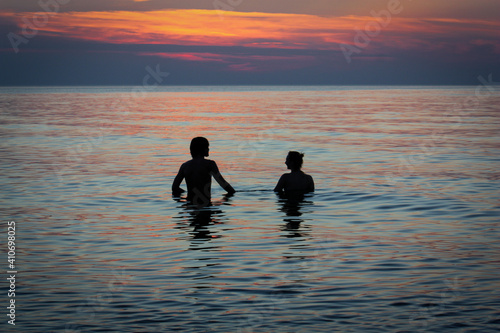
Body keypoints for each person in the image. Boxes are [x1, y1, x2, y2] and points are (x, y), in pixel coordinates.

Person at [172, 137, 235, 205]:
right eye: (207, 147)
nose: (208, 149)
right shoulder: (210, 164)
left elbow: (175, 188)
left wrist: (185, 194)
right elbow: (223, 183)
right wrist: (233, 193)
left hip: (191, 205)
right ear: (202, 149)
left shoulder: (184, 166)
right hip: (206, 204)